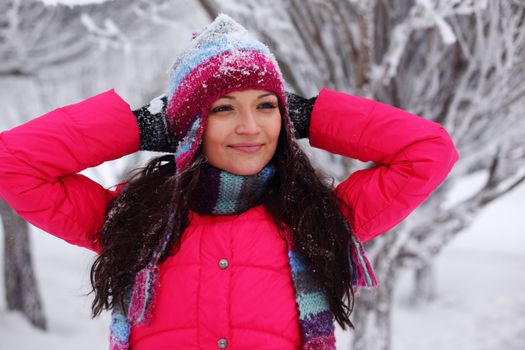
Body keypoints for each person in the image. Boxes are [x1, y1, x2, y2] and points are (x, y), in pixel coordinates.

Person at [0, 13, 459, 350]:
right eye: (223, 108)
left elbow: (428, 150)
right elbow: (14, 162)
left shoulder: (319, 217)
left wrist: (313, 114)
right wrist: (137, 127)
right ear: (189, 126)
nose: (250, 127)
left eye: (266, 106)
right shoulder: (130, 220)